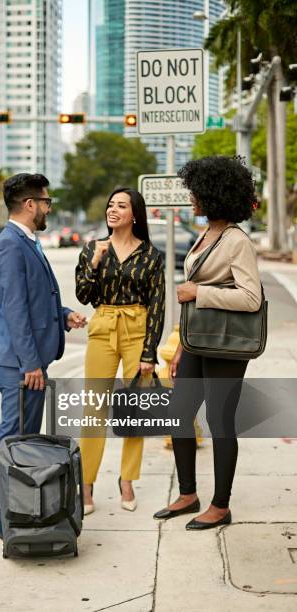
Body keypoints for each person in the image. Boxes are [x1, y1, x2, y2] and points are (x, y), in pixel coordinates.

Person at [153, 155, 262, 529]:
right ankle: (188, 494)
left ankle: (221, 505)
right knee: (179, 413)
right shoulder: (206, 234)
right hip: (197, 341)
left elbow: (251, 298)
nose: (192, 200)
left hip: (227, 346)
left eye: (197, 193)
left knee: (219, 420)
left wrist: (199, 291)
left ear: (216, 195)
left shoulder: (237, 241)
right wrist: (182, 344)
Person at [0, 173, 87, 538]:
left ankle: (16, 506)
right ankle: (0, 513)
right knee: (13, 439)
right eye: (45, 202)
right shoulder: (11, 245)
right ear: (30, 204)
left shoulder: (26, 241)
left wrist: (63, 316)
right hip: (20, 364)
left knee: (24, 439)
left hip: (28, 361)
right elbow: (14, 310)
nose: (48, 208)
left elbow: (34, 300)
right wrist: (31, 363)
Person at [76, 187, 165, 514]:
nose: (113, 210)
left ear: (135, 215)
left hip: (137, 329)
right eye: (110, 204)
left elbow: (157, 306)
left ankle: (127, 480)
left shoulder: (152, 256)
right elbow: (84, 294)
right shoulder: (91, 249)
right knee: (93, 410)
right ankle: (86, 484)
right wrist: (96, 262)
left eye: (121, 205)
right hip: (103, 327)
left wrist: (149, 354)